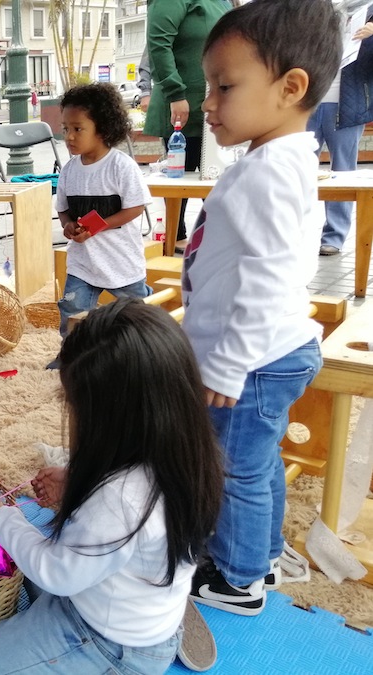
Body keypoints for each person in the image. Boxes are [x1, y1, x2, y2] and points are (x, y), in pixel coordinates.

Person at [0, 299, 225, 675]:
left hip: (111, 644)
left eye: (74, 407)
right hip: (116, 594)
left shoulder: (119, 499)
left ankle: (144, 642)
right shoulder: (185, 453)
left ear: (109, 421)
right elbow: (132, 505)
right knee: (30, 559)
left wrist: (0, 519)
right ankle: (155, 599)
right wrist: (76, 485)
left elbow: (57, 573)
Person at [182, 0, 342, 615]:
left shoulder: (268, 172)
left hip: (251, 360)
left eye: (224, 86)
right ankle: (264, 555)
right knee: (257, 461)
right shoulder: (281, 158)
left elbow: (269, 275)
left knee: (235, 469)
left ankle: (238, 578)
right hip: (271, 350)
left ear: (290, 87)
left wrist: (227, 365)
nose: (208, 102)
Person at [48, 82, 153, 369]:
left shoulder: (121, 166)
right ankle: (71, 356)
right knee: (72, 309)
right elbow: (63, 209)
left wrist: (101, 225)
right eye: (65, 128)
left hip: (122, 262)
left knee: (135, 316)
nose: (69, 136)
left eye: (78, 129)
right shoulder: (69, 171)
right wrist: (68, 226)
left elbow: (136, 206)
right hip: (83, 264)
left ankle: (143, 356)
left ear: (103, 129)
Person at [144, 0, 231, 253]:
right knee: (181, 177)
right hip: (184, 103)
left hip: (217, 101)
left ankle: (216, 240)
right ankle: (176, 240)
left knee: (215, 177)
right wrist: (175, 93)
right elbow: (158, 44)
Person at [311, 1, 373, 256]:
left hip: (347, 103)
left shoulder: (368, 10)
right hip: (308, 100)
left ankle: (334, 236)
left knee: (343, 172)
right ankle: (291, 231)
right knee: (296, 168)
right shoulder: (311, 8)